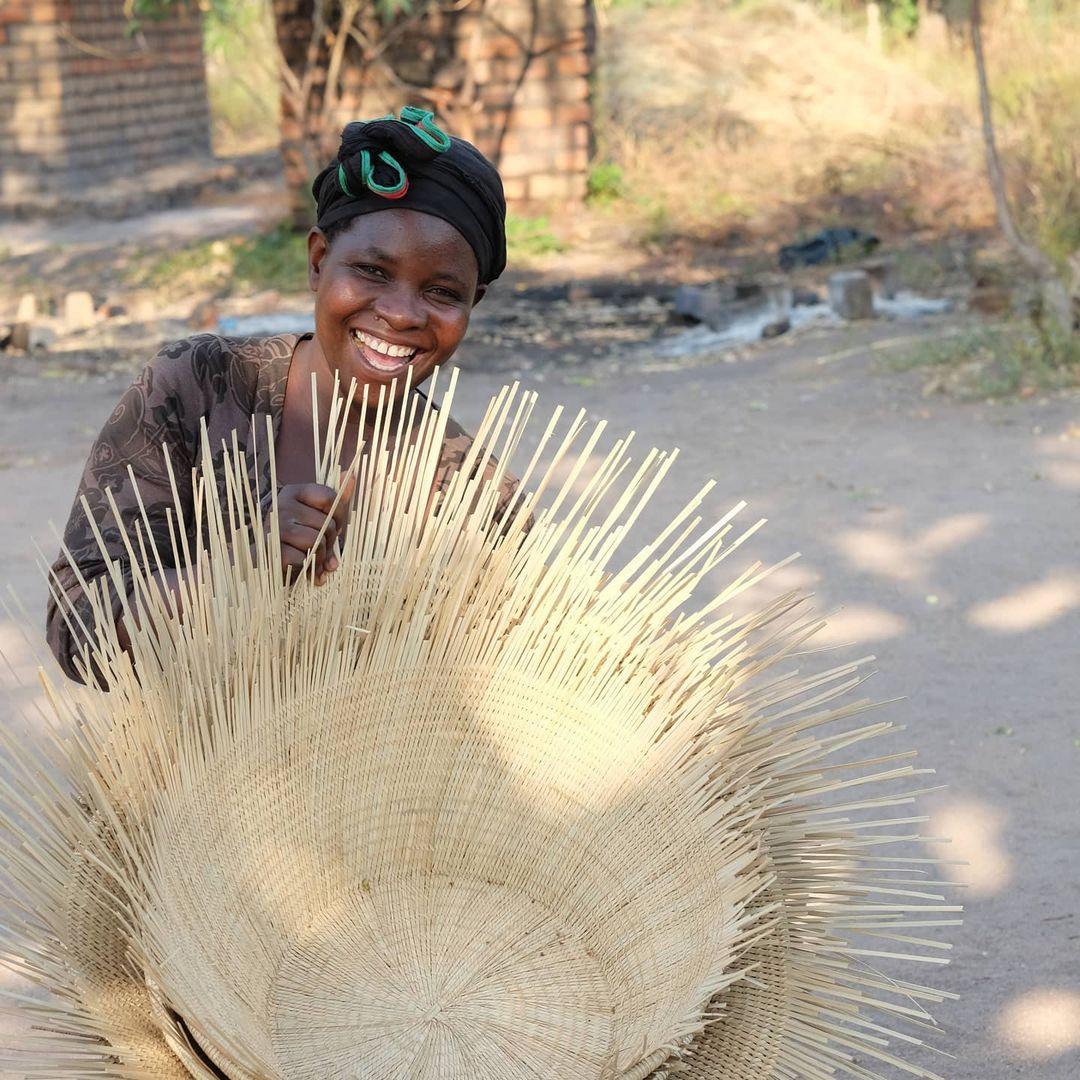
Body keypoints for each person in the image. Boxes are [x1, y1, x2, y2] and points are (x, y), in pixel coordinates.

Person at [46, 107, 518, 685]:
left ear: (473, 304)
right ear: (320, 262)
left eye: (442, 291)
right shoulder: (199, 387)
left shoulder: (470, 492)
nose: (400, 313)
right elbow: (75, 629)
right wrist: (235, 573)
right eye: (371, 271)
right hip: (192, 770)